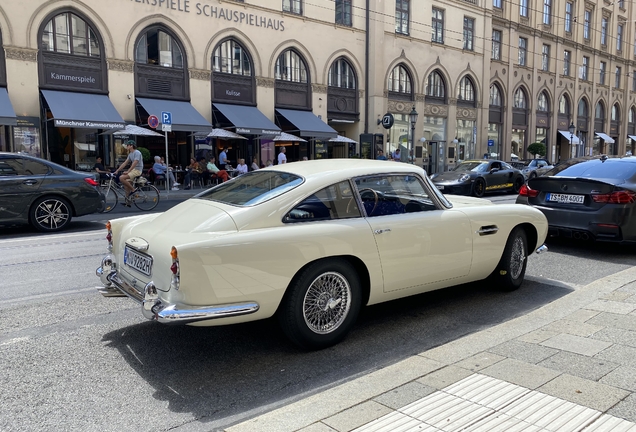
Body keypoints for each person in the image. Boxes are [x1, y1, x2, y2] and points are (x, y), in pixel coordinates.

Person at [114, 140, 143, 206]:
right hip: (133, 170)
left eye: (127, 145)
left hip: (137, 170)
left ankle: (133, 190)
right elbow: (125, 163)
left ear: (131, 146)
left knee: (121, 178)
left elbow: (135, 163)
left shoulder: (137, 152)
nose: (126, 147)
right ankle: (128, 201)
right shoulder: (130, 154)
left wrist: (128, 171)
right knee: (126, 185)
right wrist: (117, 170)